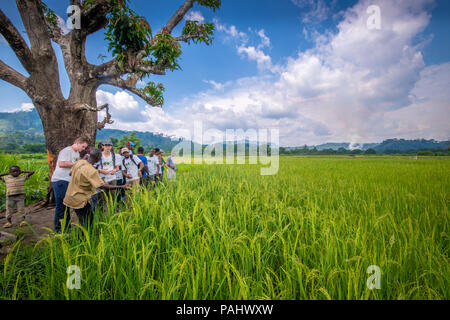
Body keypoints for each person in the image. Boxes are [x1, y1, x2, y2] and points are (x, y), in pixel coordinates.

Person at [63, 149, 126, 230]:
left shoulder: (80, 162)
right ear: (99, 159)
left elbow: (71, 173)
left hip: (70, 195)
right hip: (80, 199)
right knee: (87, 222)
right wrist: (121, 187)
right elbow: (101, 186)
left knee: (86, 218)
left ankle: (83, 235)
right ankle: (85, 238)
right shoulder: (92, 171)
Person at [51, 136, 88, 233]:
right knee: (61, 205)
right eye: (83, 146)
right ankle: (59, 230)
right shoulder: (67, 150)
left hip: (68, 181)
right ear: (78, 143)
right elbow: (61, 164)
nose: (83, 149)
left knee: (67, 204)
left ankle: (66, 228)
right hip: (60, 180)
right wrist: (77, 164)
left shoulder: (76, 153)